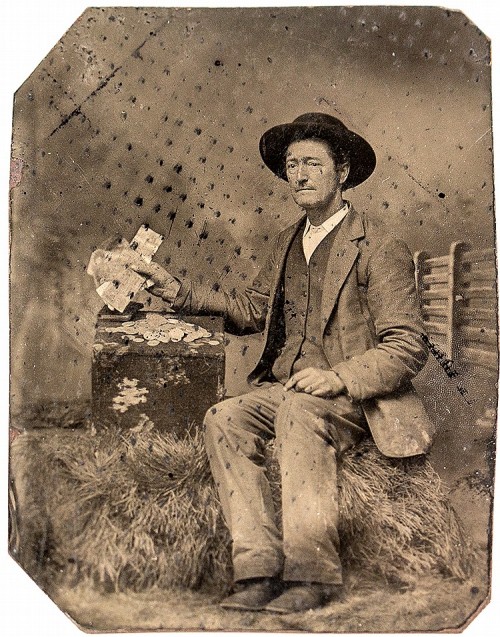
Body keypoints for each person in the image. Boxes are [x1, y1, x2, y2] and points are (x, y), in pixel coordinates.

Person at [106, 112, 435, 613]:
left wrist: (338, 376)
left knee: (298, 412)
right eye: (290, 165)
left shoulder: (378, 245)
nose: (298, 175)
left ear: (342, 171)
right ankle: (257, 569)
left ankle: (312, 576)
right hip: (288, 390)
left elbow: (407, 345)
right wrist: (179, 290)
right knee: (224, 418)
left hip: (354, 399)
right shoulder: (287, 240)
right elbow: (253, 310)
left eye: (311, 164)